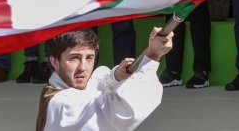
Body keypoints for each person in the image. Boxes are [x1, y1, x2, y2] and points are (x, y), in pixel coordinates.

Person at [36, 27, 173, 130]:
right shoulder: (62, 103)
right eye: (74, 58)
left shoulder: (60, 88)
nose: (83, 67)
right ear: (54, 62)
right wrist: (153, 55)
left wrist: (116, 77)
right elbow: (122, 110)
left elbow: (94, 88)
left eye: (89, 58)